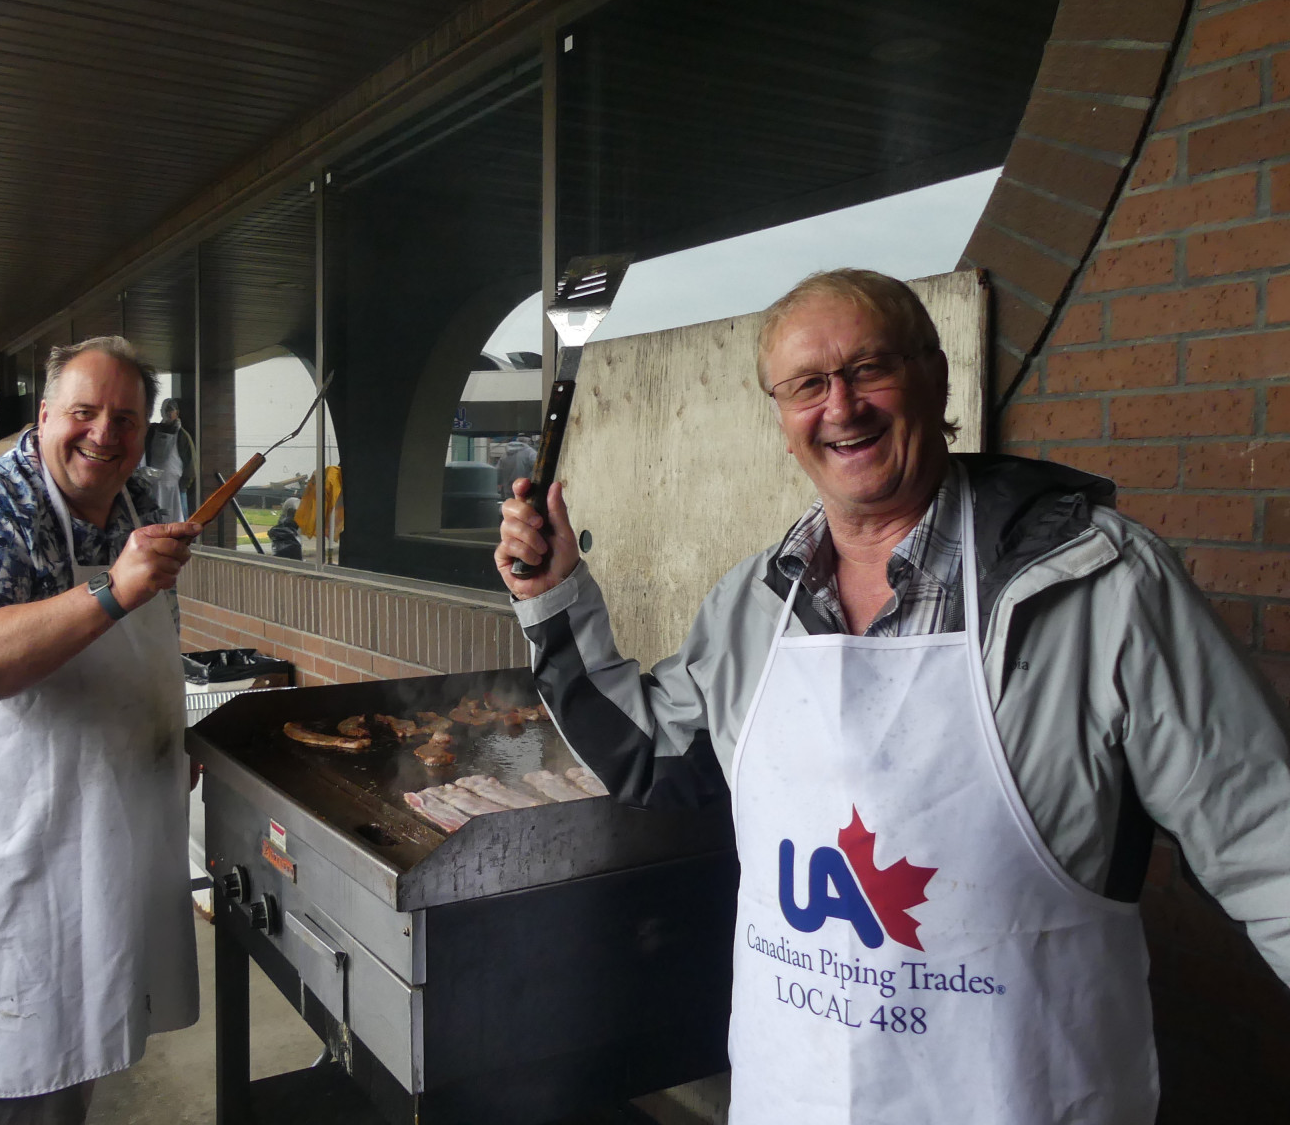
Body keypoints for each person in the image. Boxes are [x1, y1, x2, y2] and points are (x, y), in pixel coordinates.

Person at [495, 268, 1290, 1124]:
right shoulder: (754, 605)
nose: (840, 407)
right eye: (806, 385)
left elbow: (1264, 839)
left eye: (869, 368)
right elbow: (651, 756)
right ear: (782, 420)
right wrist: (553, 596)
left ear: (935, 377)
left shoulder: (1099, 584)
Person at [0, 336, 202, 1123]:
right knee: (17, 1044)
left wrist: (169, 738)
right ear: (43, 417)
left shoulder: (139, 508)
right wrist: (113, 591)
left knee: (84, 1025)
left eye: (125, 419)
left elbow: (148, 648)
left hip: (96, 796)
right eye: (84, 412)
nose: (104, 433)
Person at [143, 397, 197, 521]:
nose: (167, 413)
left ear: (177, 412)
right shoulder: (152, 433)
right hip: (155, 487)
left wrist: (183, 486)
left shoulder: (183, 436)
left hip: (176, 489)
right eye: (164, 410)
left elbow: (190, 464)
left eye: (170, 410)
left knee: (179, 522)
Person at [496, 434, 536, 501]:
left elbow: (498, 473)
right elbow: (537, 470)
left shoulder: (505, 455)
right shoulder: (531, 453)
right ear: (529, 441)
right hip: (525, 491)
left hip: (508, 492)